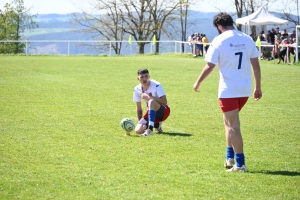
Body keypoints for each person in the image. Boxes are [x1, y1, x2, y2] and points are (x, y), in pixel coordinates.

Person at [193, 12, 262, 172]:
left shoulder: (218, 40)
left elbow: (210, 65)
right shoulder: (247, 38)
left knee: (233, 126)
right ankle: (229, 157)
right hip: (244, 90)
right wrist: (257, 87)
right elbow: (256, 67)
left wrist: (198, 81)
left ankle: (240, 163)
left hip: (228, 90)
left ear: (218, 26)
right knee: (228, 123)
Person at [133, 68, 171, 136]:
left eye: (146, 76)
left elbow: (164, 101)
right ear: (138, 78)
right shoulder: (137, 89)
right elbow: (139, 107)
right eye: (142, 77)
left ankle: (149, 130)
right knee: (138, 130)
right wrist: (140, 121)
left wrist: (149, 97)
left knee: (151, 102)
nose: (144, 79)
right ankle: (157, 125)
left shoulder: (156, 85)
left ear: (149, 77)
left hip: (163, 111)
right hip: (151, 111)